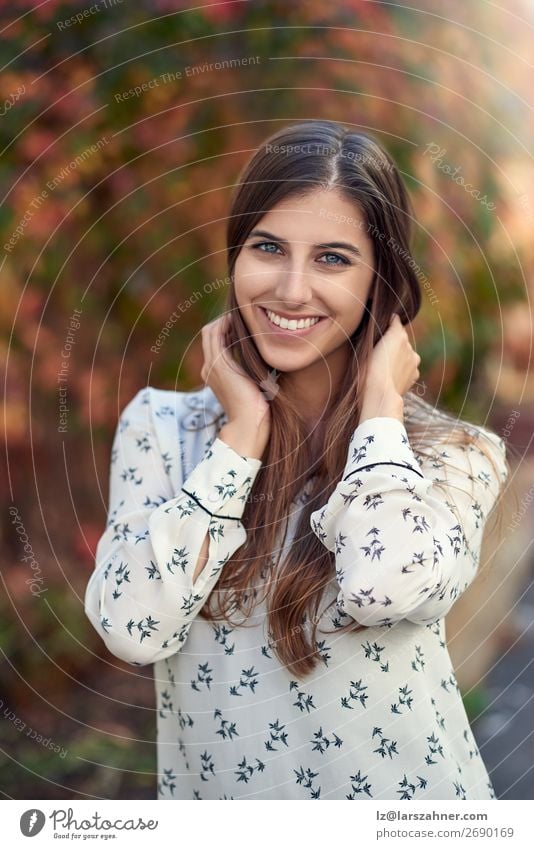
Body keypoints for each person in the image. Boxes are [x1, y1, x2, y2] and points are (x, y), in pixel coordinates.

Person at [84, 120, 509, 800]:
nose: (290, 288)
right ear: (235, 254)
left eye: (333, 258)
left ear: (382, 280)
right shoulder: (162, 430)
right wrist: (243, 433)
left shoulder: (454, 455)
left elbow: (382, 585)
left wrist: (378, 408)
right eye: (268, 247)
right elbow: (133, 625)